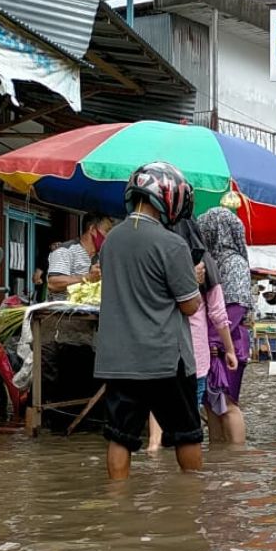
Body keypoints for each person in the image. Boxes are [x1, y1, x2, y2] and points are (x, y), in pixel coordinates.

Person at [94, 162, 202, 480]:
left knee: (120, 436)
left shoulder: (110, 242)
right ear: (168, 198)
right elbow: (190, 306)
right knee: (187, 433)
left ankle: (117, 503)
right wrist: (193, 280)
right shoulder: (172, 244)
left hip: (119, 359)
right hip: (165, 358)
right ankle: (190, 504)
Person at [146, 217, 239, 455]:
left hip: (159, 345)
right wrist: (229, 350)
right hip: (194, 352)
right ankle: (186, 469)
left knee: (159, 401)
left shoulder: (158, 258)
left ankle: (154, 446)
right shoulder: (205, 261)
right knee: (189, 412)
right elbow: (218, 314)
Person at [199, 206, 255, 447]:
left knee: (227, 402)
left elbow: (235, 308)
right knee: (211, 402)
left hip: (227, 340)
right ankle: (217, 454)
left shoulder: (234, 264)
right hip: (215, 340)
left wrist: (212, 341)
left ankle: (235, 457)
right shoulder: (214, 262)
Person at [48, 213, 113, 301]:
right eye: (107, 231)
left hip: (91, 312)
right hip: (64, 313)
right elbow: (53, 284)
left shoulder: (101, 259)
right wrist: (88, 277)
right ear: (92, 229)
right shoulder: (66, 251)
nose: (110, 236)